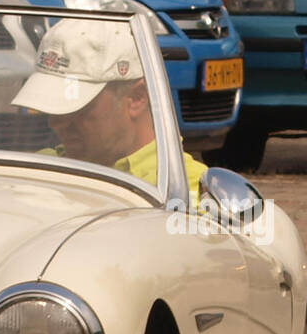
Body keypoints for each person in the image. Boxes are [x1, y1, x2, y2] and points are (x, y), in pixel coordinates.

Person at [12, 18, 208, 203]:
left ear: (137, 98)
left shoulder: (187, 193)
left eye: (77, 108)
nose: (56, 123)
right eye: (52, 106)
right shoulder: (39, 166)